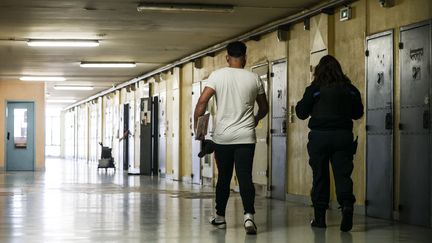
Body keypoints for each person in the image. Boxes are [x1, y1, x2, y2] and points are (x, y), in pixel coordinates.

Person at [194, 41, 268, 234]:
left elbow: (202, 102)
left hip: (223, 138)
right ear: (245, 57)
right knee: (245, 177)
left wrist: (199, 129)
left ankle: (220, 217)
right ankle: (249, 217)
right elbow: (264, 108)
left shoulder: (217, 76)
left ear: (227, 57)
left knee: (224, 178)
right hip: (246, 137)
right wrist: (255, 118)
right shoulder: (254, 78)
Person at [295, 55, 363, 232]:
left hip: (319, 138)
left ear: (319, 71)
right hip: (343, 137)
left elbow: (301, 112)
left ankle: (320, 219)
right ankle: (347, 205)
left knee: (320, 176)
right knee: (343, 175)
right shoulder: (350, 89)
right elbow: (358, 113)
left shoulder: (315, 89)